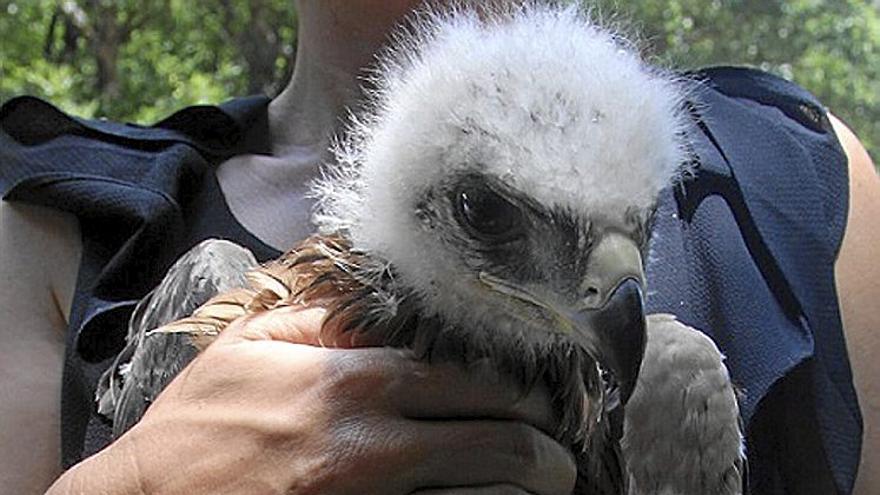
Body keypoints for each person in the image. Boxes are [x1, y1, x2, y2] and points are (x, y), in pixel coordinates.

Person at [0, 1, 877, 494]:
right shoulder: (54, 220)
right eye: (491, 215)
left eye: (638, 229)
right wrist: (136, 483)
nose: (617, 288)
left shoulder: (781, 180)